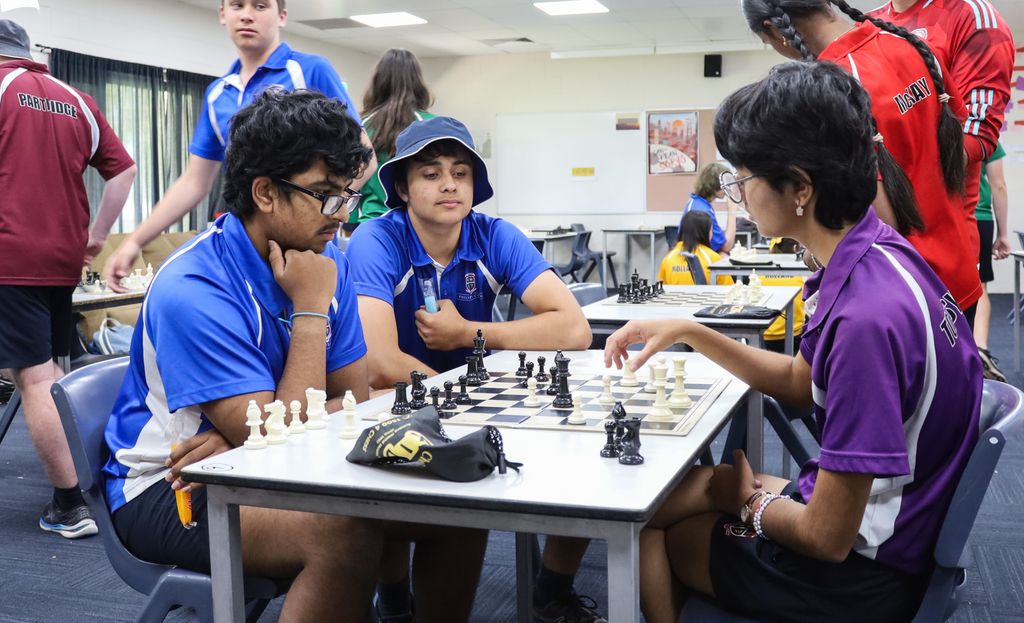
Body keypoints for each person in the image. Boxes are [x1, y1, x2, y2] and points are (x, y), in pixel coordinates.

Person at [605, 61, 982, 623]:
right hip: (899, 521)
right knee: (672, 494)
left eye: (743, 179)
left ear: (801, 187)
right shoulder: (879, 254)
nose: (737, 193)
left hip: (866, 573)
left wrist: (748, 503)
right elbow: (798, 383)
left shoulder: (865, 321)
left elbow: (827, 537)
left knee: (648, 526)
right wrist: (689, 330)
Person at [103, 90, 486, 623]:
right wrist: (308, 310)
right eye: (325, 195)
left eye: (347, 194)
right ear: (265, 192)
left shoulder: (326, 258)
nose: (342, 215)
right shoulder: (195, 286)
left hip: (242, 459)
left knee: (459, 505)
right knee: (342, 535)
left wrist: (248, 430)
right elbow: (274, 440)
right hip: (169, 488)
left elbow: (351, 400)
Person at [346, 116, 599, 623]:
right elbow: (379, 362)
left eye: (460, 173)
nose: (449, 184)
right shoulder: (376, 238)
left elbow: (574, 328)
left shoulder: (495, 234)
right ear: (402, 188)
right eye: (431, 173)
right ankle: (392, 599)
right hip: (399, 401)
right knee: (382, 463)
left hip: (480, 401)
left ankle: (552, 589)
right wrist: (454, 396)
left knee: (590, 451)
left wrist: (469, 334)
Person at [102, 0, 375, 290]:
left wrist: (324, 208)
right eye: (237, 5)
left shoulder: (309, 70)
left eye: (260, 6)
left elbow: (363, 159)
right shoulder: (218, 93)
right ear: (223, 14)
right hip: (246, 246)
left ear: (282, 16)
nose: (247, 15)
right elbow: (194, 181)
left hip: (304, 247)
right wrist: (135, 241)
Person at [741, 0, 982, 323]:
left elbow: (879, 219)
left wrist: (817, 253)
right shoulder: (909, 43)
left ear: (773, 30)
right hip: (957, 271)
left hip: (903, 290)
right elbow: (959, 152)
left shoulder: (829, 89)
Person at [0, 19, 137, 538]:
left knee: (34, 377)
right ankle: (89, 482)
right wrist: (96, 236)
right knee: (52, 372)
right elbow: (124, 171)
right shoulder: (74, 98)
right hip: (61, 257)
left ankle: (69, 504)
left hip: (10, 256)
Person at [869, 0, 1015, 324]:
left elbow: (975, 137)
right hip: (872, 248)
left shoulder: (970, 16)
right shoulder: (867, 24)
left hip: (939, 256)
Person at [347, 48, 435, 228]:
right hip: (419, 227)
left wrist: (350, 222)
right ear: (417, 82)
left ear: (379, 82)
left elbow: (349, 175)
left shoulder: (360, 125)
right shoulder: (431, 125)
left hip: (372, 225)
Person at [974, 142, 1010, 381]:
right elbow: (998, 185)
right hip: (978, 217)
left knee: (937, 286)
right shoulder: (984, 132)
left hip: (939, 216)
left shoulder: (932, 126)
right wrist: (1003, 234)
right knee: (979, 286)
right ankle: (980, 348)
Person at [659, 211, 734, 286]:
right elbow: (730, 289)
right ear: (705, 231)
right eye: (711, 229)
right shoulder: (714, 259)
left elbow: (660, 288)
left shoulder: (668, 259)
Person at [679, 162, 736, 254]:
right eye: (725, 184)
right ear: (714, 184)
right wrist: (732, 211)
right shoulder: (701, 211)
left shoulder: (697, 203)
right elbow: (726, 246)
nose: (727, 188)